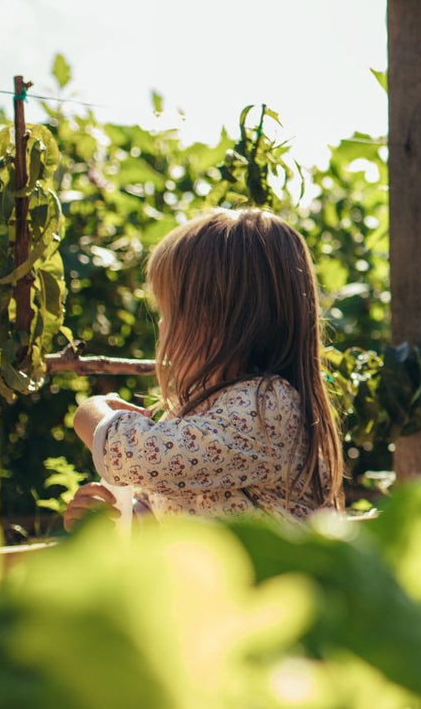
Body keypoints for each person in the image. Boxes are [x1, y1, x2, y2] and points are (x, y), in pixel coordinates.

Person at [64, 208, 345, 530]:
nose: (161, 324)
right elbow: (172, 504)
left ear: (213, 320)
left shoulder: (266, 406)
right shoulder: (198, 408)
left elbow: (142, 456)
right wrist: (118, 516)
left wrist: (90, 413)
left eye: (168, 311)